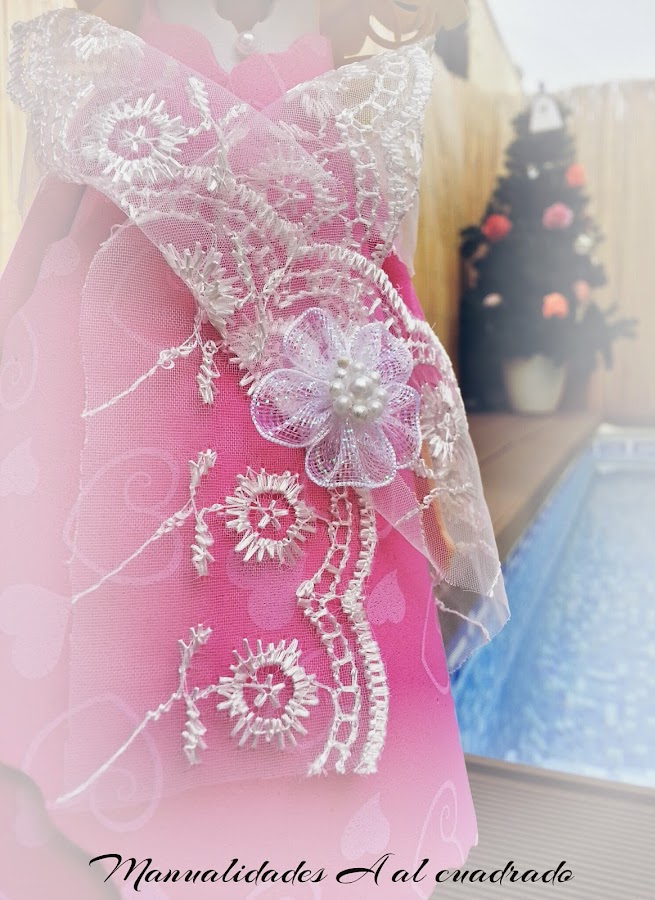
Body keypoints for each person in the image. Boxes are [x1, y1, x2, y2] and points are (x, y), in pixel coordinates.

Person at [0, 2, 507, 896]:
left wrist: (420, 459)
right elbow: (45, 247)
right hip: (134, 407)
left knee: (344, 702)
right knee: (130, 679)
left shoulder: (342, 62)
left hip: (324, 430)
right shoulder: (114, 51)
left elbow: (384, 281)